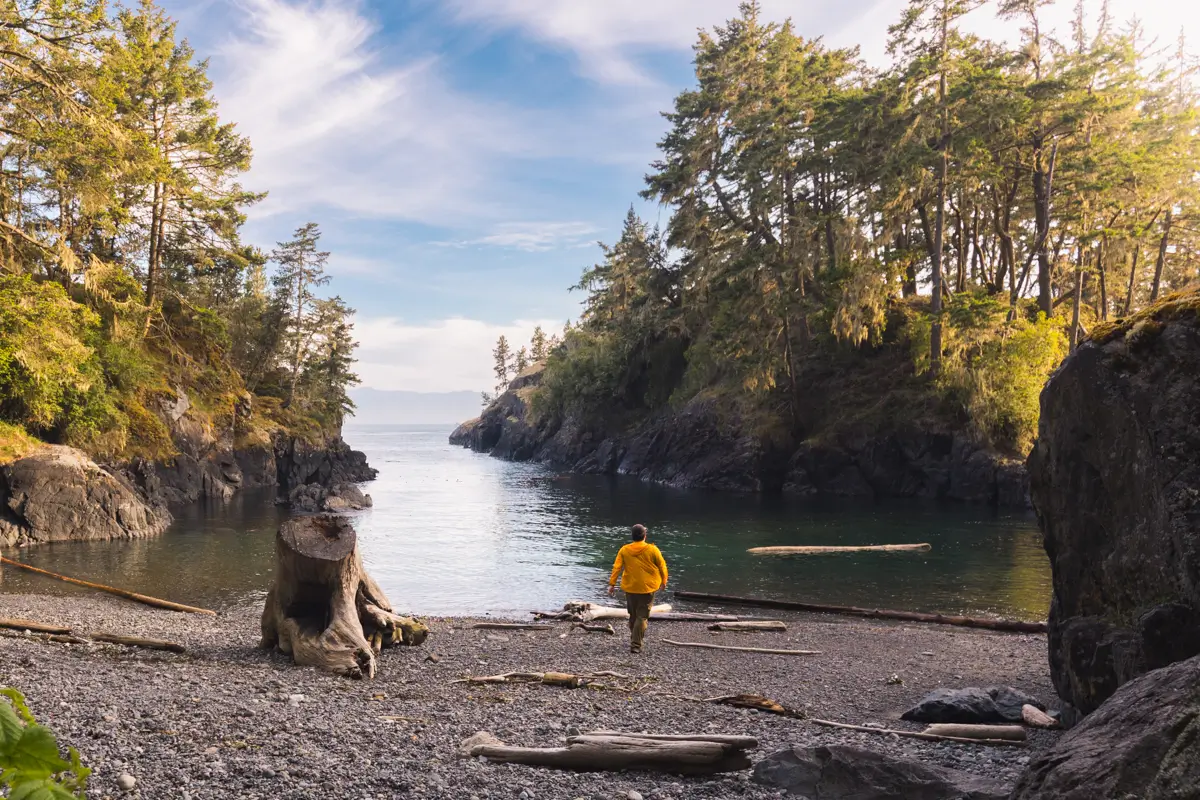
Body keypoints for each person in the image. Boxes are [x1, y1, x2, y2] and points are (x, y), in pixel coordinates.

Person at [607, 524, 669, 654]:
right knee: (642, 616)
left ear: (632, 536)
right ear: (645, 536)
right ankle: (636, 644)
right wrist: (664, 581)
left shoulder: (624, 550)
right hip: (648, 588)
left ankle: (635, 638)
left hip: (630, 588)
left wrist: (612, 584)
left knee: (633, 615)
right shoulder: (653, 550)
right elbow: (662, 566)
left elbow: (616, 567)